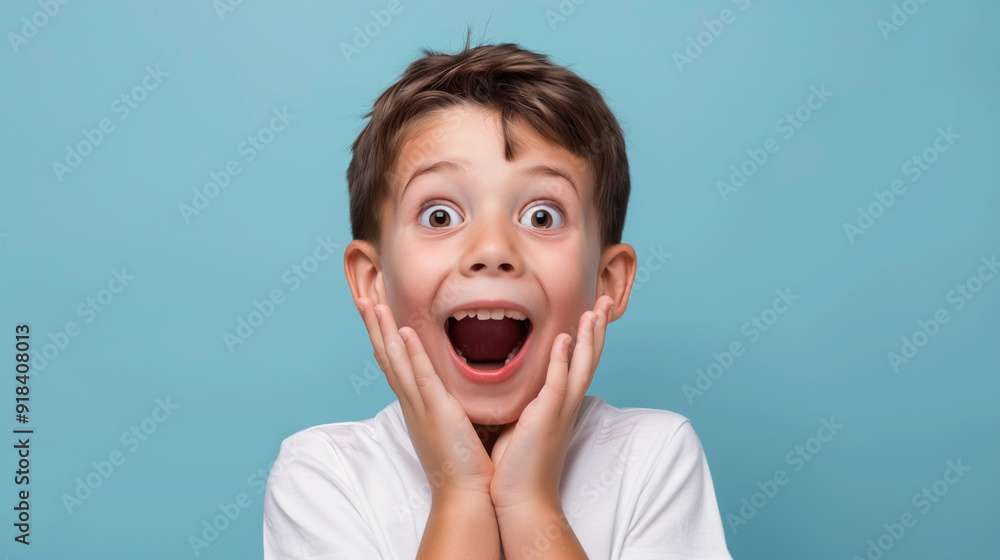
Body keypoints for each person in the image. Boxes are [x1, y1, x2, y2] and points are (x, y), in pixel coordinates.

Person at [263, 34, 733, 560]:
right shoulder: (326, 473)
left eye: (541, 216)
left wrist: (529, 501)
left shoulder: (652, 458)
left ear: (608, 282)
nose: (491, 250)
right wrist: (458, 495)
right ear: (373, 280)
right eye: (439, 215)